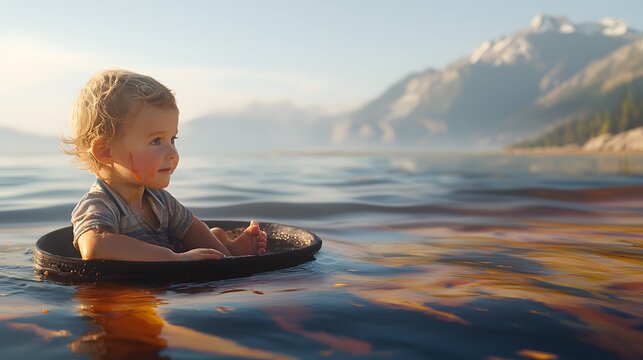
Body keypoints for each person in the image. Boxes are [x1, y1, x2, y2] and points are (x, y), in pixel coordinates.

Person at [63, 69, 267, 261]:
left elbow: (192, 227)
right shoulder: (99, 205)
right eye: (156, 141)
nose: (172, 153)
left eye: (173, 139)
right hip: (131, 286)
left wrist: (228, 261)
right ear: (105, 151)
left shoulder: (159, 200)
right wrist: (175, 258)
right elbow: (95, 246)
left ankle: (228, 247)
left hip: (163, 279)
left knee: (208, 236)